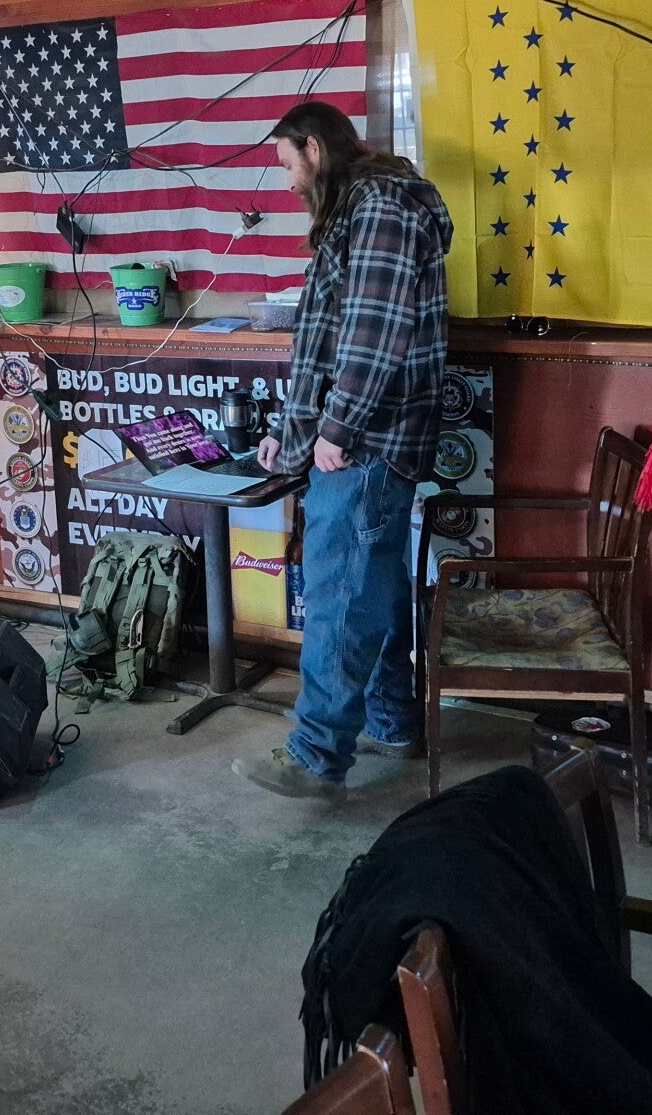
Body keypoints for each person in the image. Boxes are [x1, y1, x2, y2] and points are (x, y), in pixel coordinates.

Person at [235, 101, 452, 800]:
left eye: (287, 164)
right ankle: (390, 721)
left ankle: (316, 757)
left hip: (366, 443)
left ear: (313, 148)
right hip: (362, 438)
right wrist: (292, 432)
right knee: (374, 587)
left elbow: (373, 333)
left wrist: (336, 429)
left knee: (341, 597)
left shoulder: (380, 206)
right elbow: (324, 339)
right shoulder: (362, 207)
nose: (287, 182)